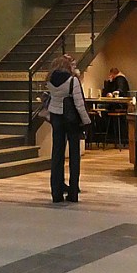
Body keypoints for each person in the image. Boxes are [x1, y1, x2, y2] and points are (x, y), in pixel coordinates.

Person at [46, 54, 90, 203]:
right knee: (74, 156)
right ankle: (73, 192)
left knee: (57, 154)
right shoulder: (72, 81)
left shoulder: (49, 80)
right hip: (71, 120)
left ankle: (56, 193)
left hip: (56, 118)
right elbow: (79, 104)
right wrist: (86, 121)